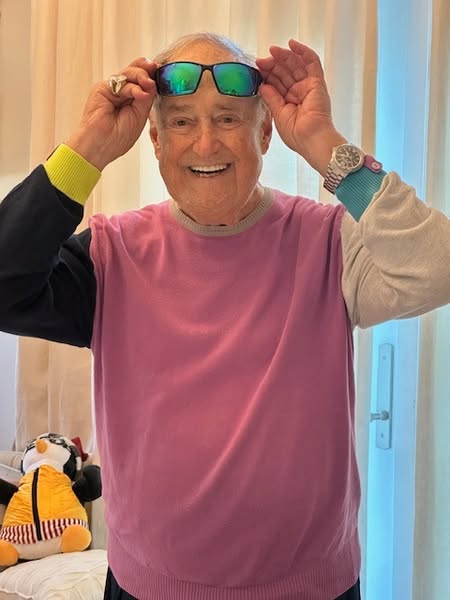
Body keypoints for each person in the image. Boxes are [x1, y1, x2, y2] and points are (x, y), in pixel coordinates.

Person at [0, 31, 449, 600]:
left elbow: (437, 267)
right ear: (155, 140)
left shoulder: (329, 243)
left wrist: (322, 142)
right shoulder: (112, 254)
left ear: (265, 133)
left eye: (229, 119)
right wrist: (87, 148)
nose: (206, 143)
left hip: (312, 588)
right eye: (181, 122)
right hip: (148, 587)